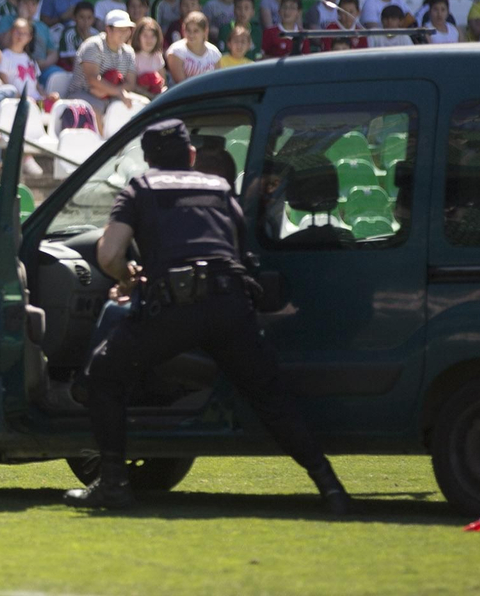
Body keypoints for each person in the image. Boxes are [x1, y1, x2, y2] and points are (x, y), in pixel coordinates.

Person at [66, 119, 352, 514]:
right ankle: (331, 487)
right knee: (270, 396)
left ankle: (113, 482)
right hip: (228, 306)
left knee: (103, 374)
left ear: (148, 160)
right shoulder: (219, 188)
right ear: (192, 156)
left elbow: (109, 255)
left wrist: (128, 277)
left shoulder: (140, 189)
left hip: (172, 309)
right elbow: (238, 252)